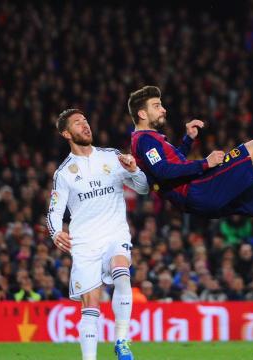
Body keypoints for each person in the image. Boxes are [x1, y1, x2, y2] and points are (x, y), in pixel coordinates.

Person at [127, 85, 253, 233]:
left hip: (199, 197)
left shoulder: (148, 140)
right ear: (142, 114)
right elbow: (163, 172)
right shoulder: (145, 140)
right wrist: (205, 163)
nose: (163, 109)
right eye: (156, 105)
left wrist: (188, 140)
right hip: (200, 189)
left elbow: (173, 166)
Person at [47, 109, 149, 360]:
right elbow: (54, 210)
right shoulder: (64, 173)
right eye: (77, 123)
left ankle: (122, 341)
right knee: (90, 308)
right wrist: (55, 232)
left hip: (115, 233)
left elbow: (144, 188)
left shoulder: (112, 157)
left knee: (122, 274)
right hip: (85, 244)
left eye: (85, 120)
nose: (85, 125)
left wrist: (135, 170)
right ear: (66, 133)